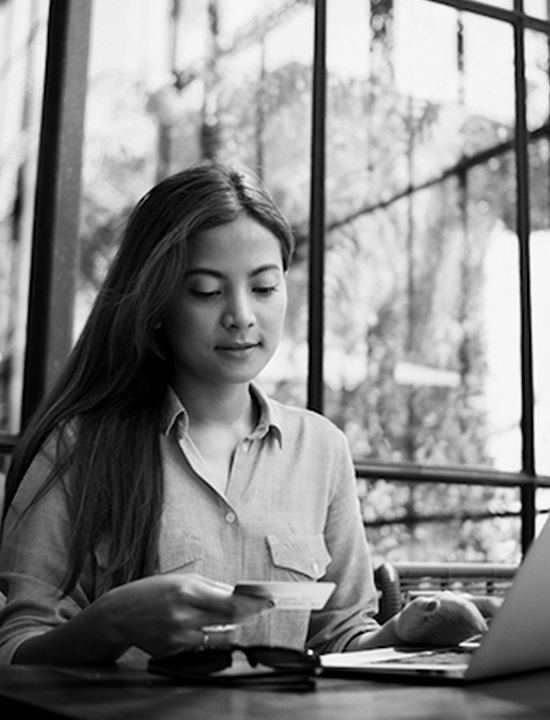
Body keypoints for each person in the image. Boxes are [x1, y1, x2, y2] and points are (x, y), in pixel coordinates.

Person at [0, 162, 496, 666]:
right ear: (156, 303)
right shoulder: (79, 448)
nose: (241, 315)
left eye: (263, 287)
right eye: (207, 291)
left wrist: (407, 632)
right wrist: (112, 621)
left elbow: (340, 639)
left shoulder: (320, 449)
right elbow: (15, 651)